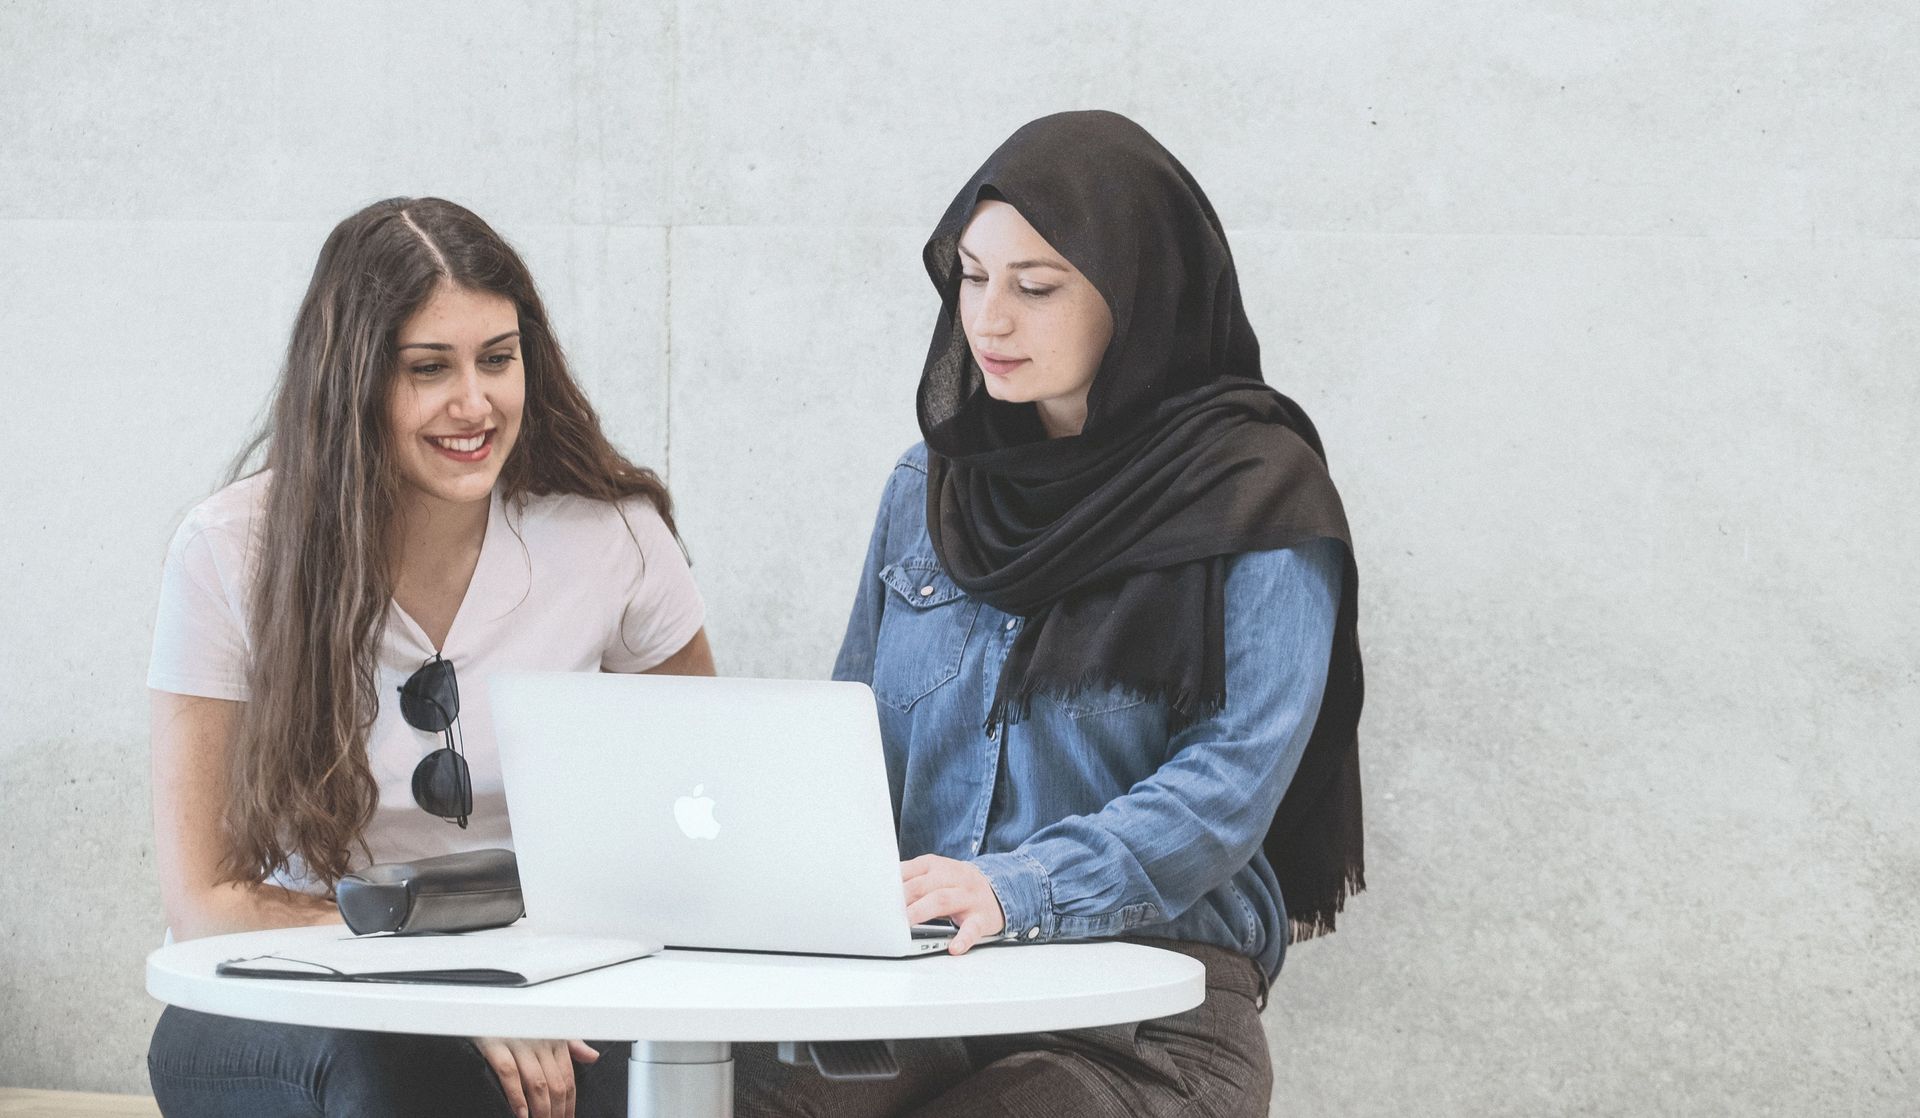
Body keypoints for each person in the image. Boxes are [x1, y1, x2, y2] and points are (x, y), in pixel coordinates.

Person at [735, 111, 1365, 1117]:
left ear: (1135, 293)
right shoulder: (927, 489)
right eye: (973, 277)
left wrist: (1016, 886)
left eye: (1036, 286)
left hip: (1147, 1019)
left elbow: (1227, 786)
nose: (989, 320)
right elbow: (846, 741)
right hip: (922, 992)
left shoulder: (1257, 500)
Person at [144, 197, 713, 1118]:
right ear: (353, 382)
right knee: (401, 1078)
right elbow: (204, 900)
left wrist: (530, 971)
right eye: (428, 369)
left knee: (708, 1073)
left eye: (497, 358)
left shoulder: (611, 534)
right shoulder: (228, 550)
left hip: (548, 975)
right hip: (295, 990)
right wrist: (441, 979)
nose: (474, 403)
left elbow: (707, 804)